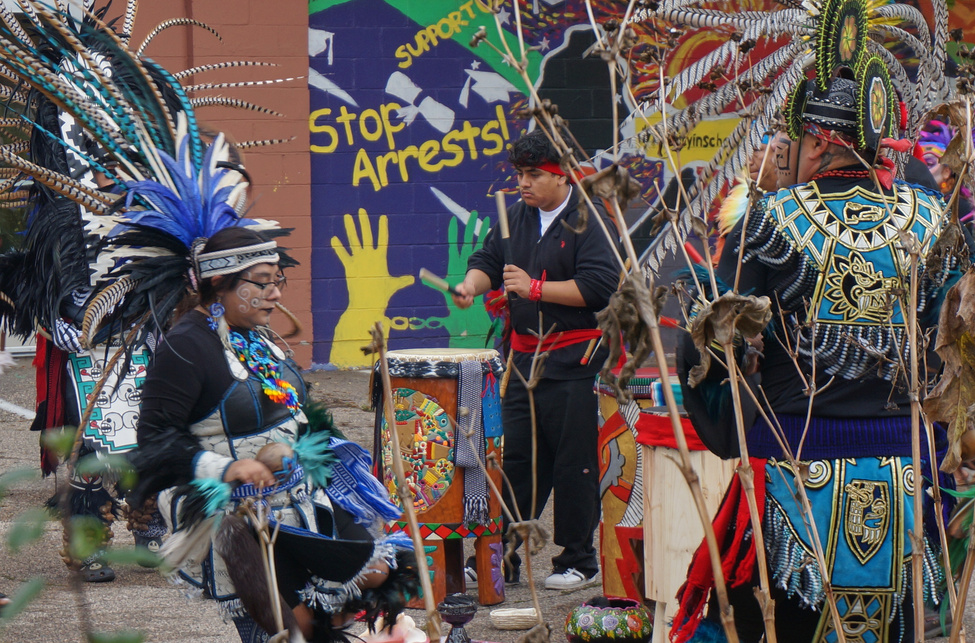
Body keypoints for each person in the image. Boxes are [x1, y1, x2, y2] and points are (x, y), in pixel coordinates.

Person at [674, 73, 975, 643]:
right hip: (908, 475)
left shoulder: (769, 218)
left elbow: (709, 337)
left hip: (793, 470)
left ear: (815, 144)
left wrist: (732, 409)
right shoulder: (932, 217)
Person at [131, 226, 415, 642]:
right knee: (288, 631)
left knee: (380, 570)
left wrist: (326, 457)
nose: (276, 294)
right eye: (262, 283)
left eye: (277, 280)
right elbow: (153, 440)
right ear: (218, 283)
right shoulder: (186, 347)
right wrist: (227, 467)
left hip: (301, 500)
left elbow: (298, 410)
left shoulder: (256, 334)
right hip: (239, 521)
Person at [452, 129, 619, 590]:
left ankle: (578, 560)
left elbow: (600, 286)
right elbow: (489, 259)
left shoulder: (590, 220)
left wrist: (536, 289)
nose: (523, 184)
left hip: (574, 360)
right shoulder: (517, 218)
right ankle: (503, 556)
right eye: (519, 174)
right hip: (522, 362)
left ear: (561, 176)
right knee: (518, 459)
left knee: (573, 462)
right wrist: (471, 285)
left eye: (533, 175)